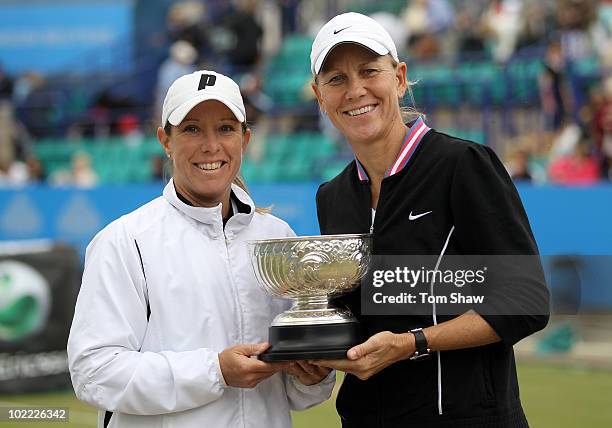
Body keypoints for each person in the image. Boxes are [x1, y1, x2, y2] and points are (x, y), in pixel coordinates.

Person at [308, 12, 549, 427]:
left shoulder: (464, 165)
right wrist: (311, 353)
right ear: (319, 96)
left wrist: (412, 344)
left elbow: (526, 302)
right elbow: (353, 318)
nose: (355, 90)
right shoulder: (332, 196)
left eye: (369, 71)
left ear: (399, 78)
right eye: (336, 79)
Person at [67, 70, 334, 428]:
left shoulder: (277, 237)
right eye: (192, 129)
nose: (211, 145)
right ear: (165, 140)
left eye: (225, 128)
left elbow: (293, 391)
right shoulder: (125, 241)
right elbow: (94, 372)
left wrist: (312, 375)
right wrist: (215, 371)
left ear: (245, 139)